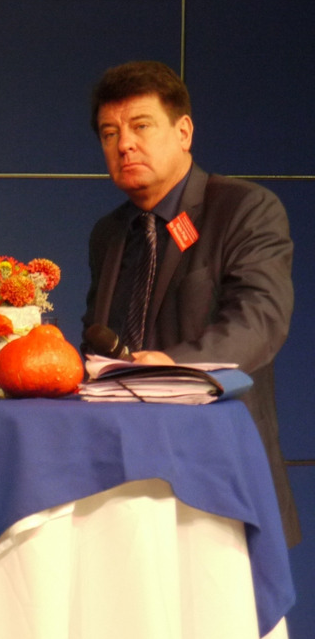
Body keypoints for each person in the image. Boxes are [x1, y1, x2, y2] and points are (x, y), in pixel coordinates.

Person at [82, 60, 299, 545]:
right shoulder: (109, 233)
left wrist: (172, 369)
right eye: (110, 133)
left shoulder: (244, 209)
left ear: (183, 132)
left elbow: (260, 321)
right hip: (122, 479)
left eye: (141, 126)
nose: (124, 144)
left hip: (215, 476)